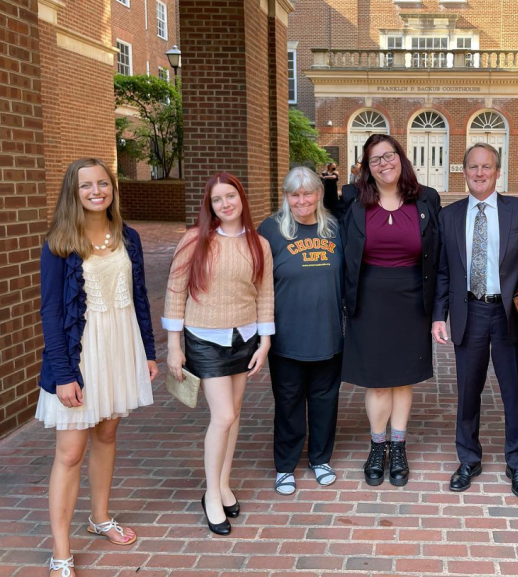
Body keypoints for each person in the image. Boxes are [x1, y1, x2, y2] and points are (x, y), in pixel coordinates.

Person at [36, 158, 158, 577]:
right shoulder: (59, 243)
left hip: (120, 347)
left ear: (112, 188)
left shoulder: (129, 236)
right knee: (70, 453)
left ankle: (100, 517)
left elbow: (139, 296)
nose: (95, 191)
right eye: (86, 185)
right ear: (73, 191)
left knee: (107, 432)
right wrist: (64, 373)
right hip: (80, 353)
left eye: (102, 183)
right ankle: (61, 550)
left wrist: (147, 351)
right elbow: (51, 313)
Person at [163, 172, 274, 536]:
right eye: (217, 199)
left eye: (231, 196)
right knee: (223, 415)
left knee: (235, 414)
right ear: (209, 206)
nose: (225, 204)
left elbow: (265, 294)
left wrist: (265, 340)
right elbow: (175, 291)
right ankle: (211, 494)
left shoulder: (259, 243)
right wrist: (174, 347)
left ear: (241, 198)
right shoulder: (195, 240)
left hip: (243, 337)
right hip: (204, 338)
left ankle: (224, 483)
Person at [432, 143, 518, 498]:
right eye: (473, 167)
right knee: (468, 391)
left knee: (513, 392)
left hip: (508, 313)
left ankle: (517, 463)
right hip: (469, 312)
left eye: (487, 167)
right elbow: (444, 273)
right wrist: (439, 316)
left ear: (497, 171)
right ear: (463, 172)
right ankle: (468, 458)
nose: (480, 173)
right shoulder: (449, 217)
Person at [338, 133, 441, 487]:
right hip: (368, 300)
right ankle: (376, 445)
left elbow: (438, 255)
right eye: (375, 159)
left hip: (413, 300)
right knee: (378, 382)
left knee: (402, 378)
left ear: (401, 157)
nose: (384, 164)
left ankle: (398, 446)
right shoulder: (353, 199)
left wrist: (440, 310)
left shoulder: (426, 199)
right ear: (366, 168)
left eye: (389, 155)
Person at [258, 167, 344, 496]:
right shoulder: (271, 229)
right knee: (289, 402)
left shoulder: (334, 227)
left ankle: (320, 459)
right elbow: (258, 281)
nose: (302, 200)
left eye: (308, 193)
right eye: (295, 194)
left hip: (328, 332)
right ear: (286, 196)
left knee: (325, 400)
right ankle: (285, 466)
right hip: (287, 337)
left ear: (319, 194)